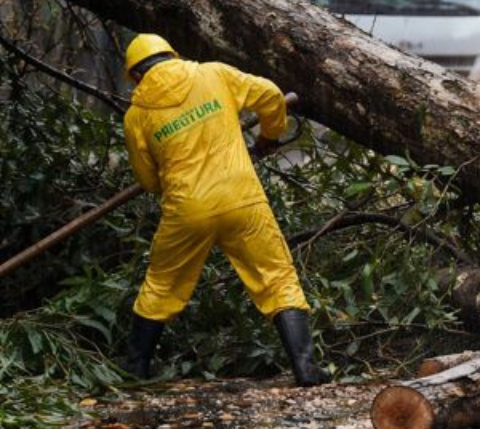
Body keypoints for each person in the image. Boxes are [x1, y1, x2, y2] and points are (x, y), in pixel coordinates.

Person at [121, 33, 329, 387]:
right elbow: (270, 96)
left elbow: (149, 180)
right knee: (276, 277)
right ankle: (306, 369)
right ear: (173, 55)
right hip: (242, 199)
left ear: (137, 77)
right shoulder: (213, 75)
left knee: (161, 286)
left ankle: (134, 374)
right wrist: (270, 135)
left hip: (187, 210)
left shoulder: (137, 116)